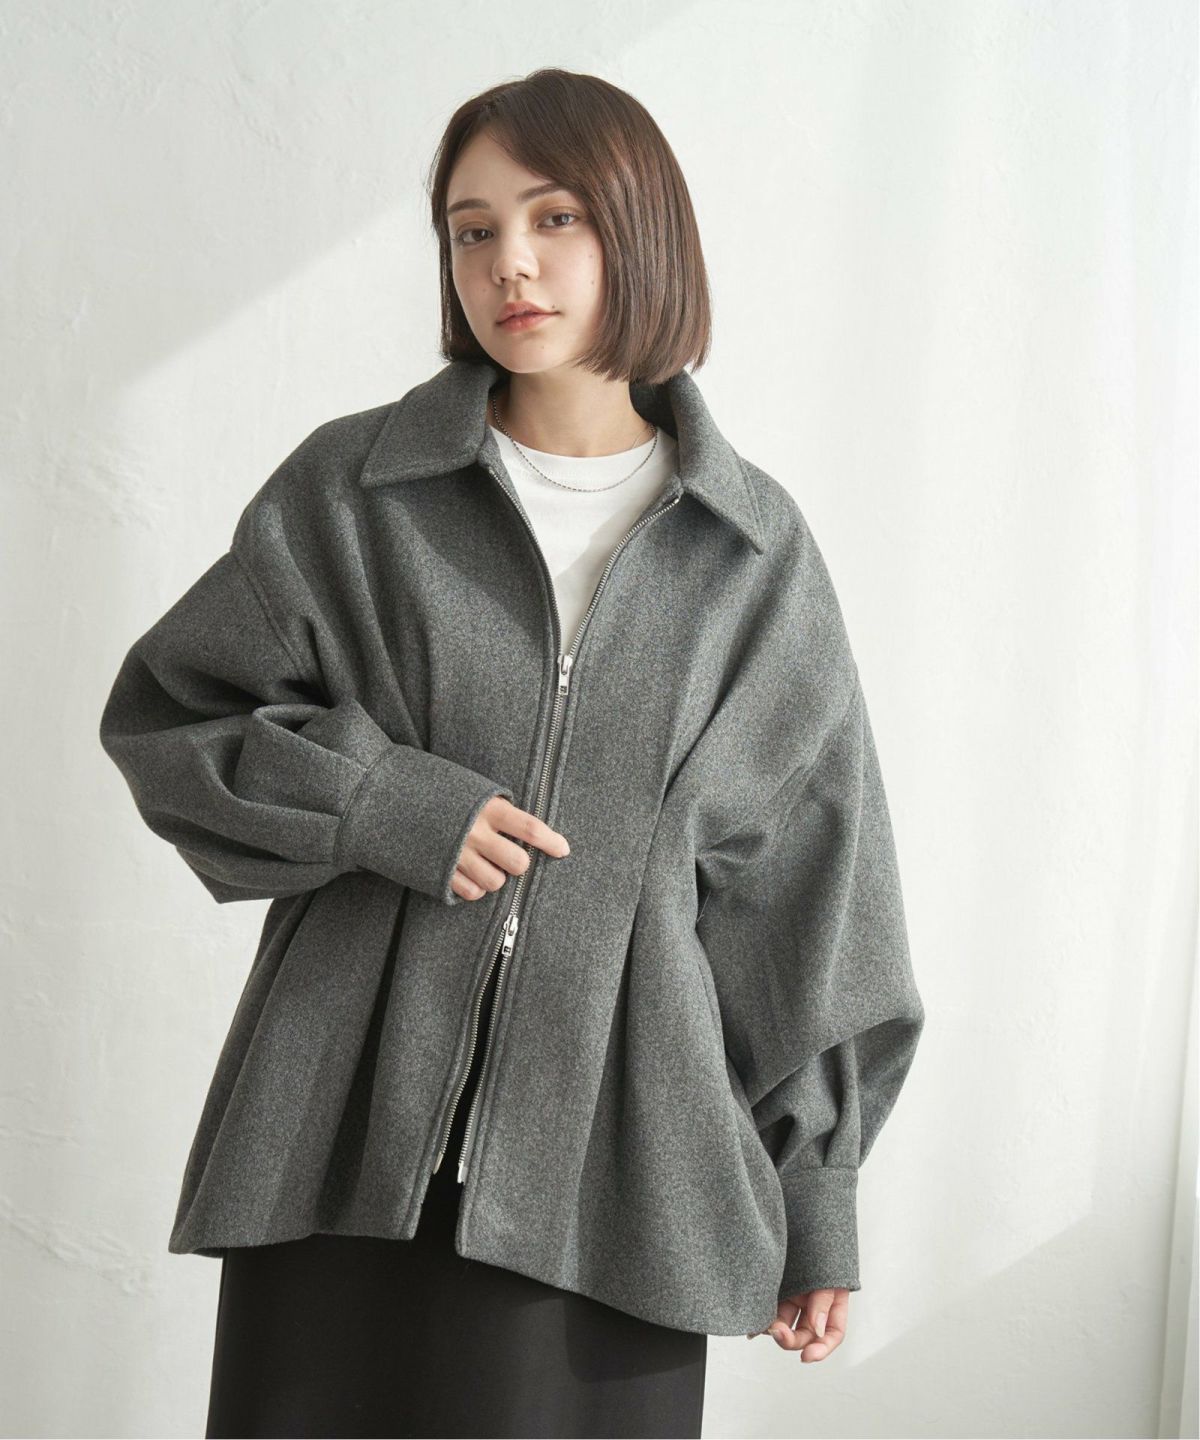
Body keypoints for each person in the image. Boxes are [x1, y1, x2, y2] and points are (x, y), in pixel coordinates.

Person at [99, 67, 924, 1439]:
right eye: (471, 230)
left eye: (555, 219)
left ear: (641, 233)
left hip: (619, 1182)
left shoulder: (753, 556)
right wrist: (380, 799)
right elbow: (173, 713)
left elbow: (814, 893)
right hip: (343, 1146)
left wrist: (818, 1194)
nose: (510, 265)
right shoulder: (357, 490)